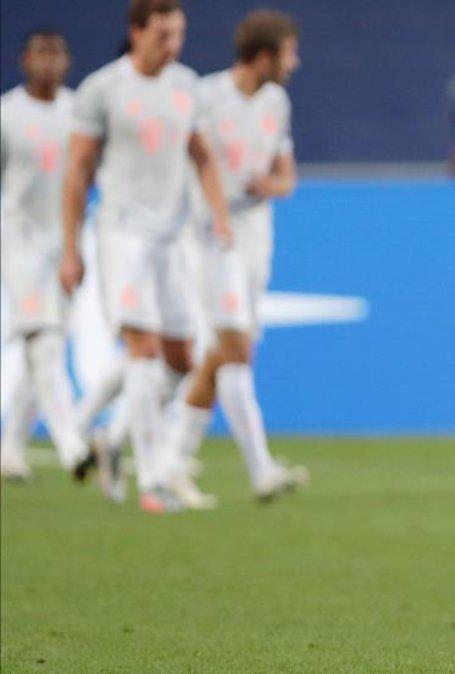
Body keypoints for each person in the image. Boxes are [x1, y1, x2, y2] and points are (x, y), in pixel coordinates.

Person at [60, 0, 233, 514]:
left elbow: (203, 157)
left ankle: (113, 441)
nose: (172, 45)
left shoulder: (186, 86)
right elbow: (77, 172)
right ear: (136, 32)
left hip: (172, 236)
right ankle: (153, 481)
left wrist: (220, 215)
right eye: (162, 34)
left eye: (178, 34)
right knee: (142, 348)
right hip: (122, 233)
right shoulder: (102, 89)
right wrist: (71, 247)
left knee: (183, 359)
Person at [161, 8, 307, 503]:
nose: (295, 63)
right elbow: (191, 160)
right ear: (264, 56)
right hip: (209, 232)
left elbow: (287, 175)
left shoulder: (277, 102)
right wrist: (217, 213)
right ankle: (260, 469)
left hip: (254, 232)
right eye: (289, 53)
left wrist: (274, 183)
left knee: (224, 352)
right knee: (236, 348)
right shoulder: (207, 95)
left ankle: (164, 458)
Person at [0, 28, 117, 493]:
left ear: (67, 62)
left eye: (57, 54)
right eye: (41, 54)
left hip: (65, 238)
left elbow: (92, 171)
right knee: (44, 341)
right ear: (25, 59)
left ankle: (10, 447)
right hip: (20, 237)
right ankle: (73, 446)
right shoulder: (8, 113)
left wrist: (78, 243)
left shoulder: (76, 112)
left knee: (45, 347)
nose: (49, 62)